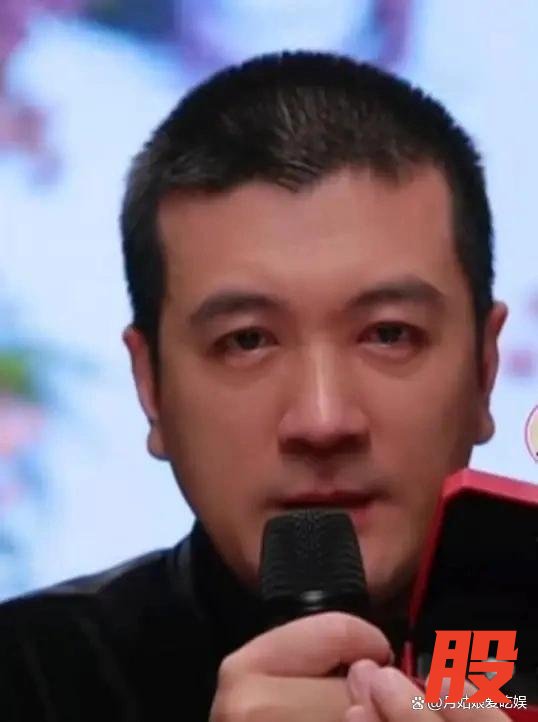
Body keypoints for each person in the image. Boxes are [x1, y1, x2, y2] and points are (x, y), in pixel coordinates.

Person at [0, 51, 510, 721]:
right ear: (150, 387)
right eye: (247, 341)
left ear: (484, 368)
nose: (322, 420)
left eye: (388, 334)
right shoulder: (27, 676)